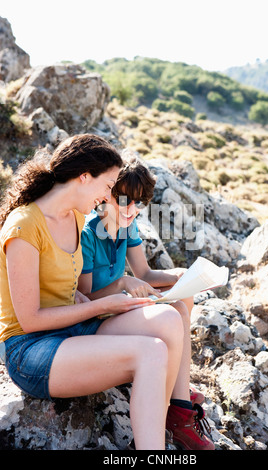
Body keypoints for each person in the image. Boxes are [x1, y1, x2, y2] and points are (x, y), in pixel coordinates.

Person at [0, 134, 188, 450]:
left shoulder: (74, 215)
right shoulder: (24, 227)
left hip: (73, 328)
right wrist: (104, 302)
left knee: (170, 318)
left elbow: (71, 288)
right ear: (84, 177)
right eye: (107, 185)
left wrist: (94, 300)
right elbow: (30, 320)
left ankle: (169, 417)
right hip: (32, 348)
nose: (106, 196)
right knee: (151, 351)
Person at [78, 151, 215, 450]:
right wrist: (124, 283)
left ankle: (178, 402)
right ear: (106, 194)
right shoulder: (89, 231)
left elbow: (145, 272)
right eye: (124, 199)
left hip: (119, 309)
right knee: (173, 315)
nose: (131, 209)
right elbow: (85, 298)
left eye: (139, 202)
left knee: (182, 301)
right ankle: (178, 412)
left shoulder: (127, 223)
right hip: (97, 316)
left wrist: (178, 274)